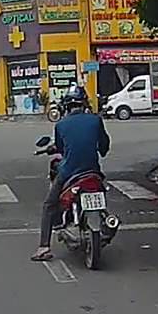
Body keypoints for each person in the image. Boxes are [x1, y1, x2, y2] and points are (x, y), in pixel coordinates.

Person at [32, 86, 110, 261]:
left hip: (70, 172)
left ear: (66, 106)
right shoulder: (96, 120)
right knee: (102, 191)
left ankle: (44, 247)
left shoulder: (61, 125)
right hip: (93, 171)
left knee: (49, 205)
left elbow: (61, 149)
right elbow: (104, 146)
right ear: (84, 104)